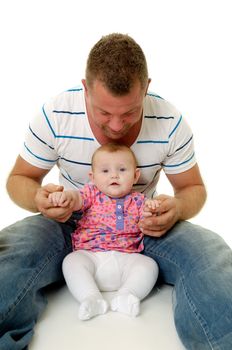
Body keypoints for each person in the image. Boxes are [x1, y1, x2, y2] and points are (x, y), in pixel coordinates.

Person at [0, 32, 231, 349]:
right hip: (70, 219)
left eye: (130, 112)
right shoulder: (56, 114)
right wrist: (39, 199)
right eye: (104, 113)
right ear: (85, 89)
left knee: (210, 254)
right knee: (11, 254)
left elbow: (193, 189)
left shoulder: (169, 121)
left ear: (147, 88)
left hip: (143, 226)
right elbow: (19, 179)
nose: (118, 126)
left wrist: (175, 208)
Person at [49, 143, 159, 320]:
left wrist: (152, 208)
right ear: (92, 177)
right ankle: (90, 297)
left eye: (122, 170)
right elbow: (76, 199)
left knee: (149, 265)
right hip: (91, 257)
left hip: (127, 258)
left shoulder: (138, 200)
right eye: (105, 171)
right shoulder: (91, 194)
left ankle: (127, 294)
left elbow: (148, 216)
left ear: (135, 175)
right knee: (71, 261)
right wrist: (65, 197)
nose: (114, 175)